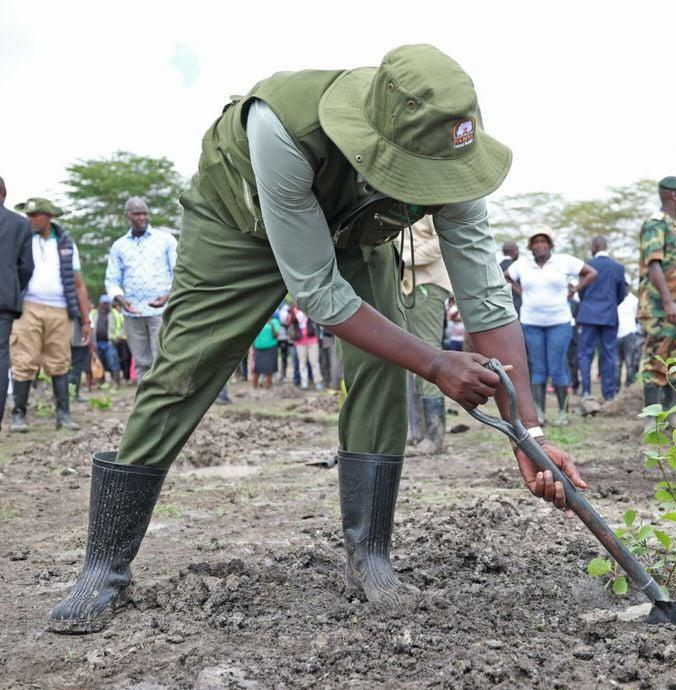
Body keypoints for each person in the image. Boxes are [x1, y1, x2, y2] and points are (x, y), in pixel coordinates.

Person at [50, 45, 586, 635]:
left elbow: (485, 298)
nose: (435, 188)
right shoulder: (281, 126)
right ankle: (104, 567)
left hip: (353, 234)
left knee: (383, 363)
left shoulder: (452, 153)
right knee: (183, 371)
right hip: (239, 226)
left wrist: (528, 434)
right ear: (377, 141)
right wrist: (434, 361)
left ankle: (370, 557)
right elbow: (319, 292)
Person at [9, 198, 90, 432]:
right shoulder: (22, 239)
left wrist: (86, 320)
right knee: (23, 359)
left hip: (60, 310)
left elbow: (79, 285)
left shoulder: (66, 244)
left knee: (60, 362)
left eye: (36, 215)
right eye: (29, 215)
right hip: (28, 308)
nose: (31, 219)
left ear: (49, 217)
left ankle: (63, 415)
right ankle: (19, 415)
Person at [507, 226, 596, 425]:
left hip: (559, 322)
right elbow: (506, 276)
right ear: (531, 246)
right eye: (536, 242)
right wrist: (520, 292)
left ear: (550, 244)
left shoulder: (564, 261)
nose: (540, 245)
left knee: (557, 367)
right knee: (538, 368)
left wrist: (574, 290)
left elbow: (591, 273)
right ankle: (539, 414)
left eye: (543, 241)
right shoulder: (522, 264)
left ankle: (563, 414)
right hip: (532, 322)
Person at [638, 177, 676, 430]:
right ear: (673, 195)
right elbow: (654, 264)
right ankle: (652, 418)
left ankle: (671, 414)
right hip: (660, 308)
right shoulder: (655, 224)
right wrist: (669, 302)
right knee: (655, 360)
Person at [105, 197, 177, 378]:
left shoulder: (165, 240)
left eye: (145, 213)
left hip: (161, 312)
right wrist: (120, 299)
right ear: (127, 216)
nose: (142, 218)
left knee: (163, 360)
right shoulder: (119, 246)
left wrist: (168, 295)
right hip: (133, 313)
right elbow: (112, 279)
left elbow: (179, 271)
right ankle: (146, 404)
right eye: (137, 214)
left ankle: (166, 403)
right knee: (142, 363)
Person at [401, 215, 453, 454]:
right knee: (411, 359)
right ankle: (420, 431)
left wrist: (405, 258)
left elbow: (443, 237)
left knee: (428, 354)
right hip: (404, 285)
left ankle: (434, 435)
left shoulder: (428, 202)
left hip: (427, 283)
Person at [0, 177, 34, 432]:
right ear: (4, 194)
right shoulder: (20, 224)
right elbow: (26, 267)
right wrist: (13, 287)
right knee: (1, 357)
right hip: (4, 300)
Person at [576, 236, 627, 401]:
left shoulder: (587, 265)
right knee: (609, 354)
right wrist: (610, 304)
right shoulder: (618, 267)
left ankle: (585, 392)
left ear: (595, 246)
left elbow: (581, 291)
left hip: (588, 315)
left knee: (585, 354)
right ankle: (609, 394)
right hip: (609, 315)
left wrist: (590, 304)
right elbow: (622, 294)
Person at [287, 302, 324, 389]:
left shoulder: (308, 311)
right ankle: (304, 382)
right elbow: (289, 321)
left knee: (314, 362)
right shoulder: (293, 314)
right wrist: (294, 313)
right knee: (302, 363)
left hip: (312, 341)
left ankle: (317, 381)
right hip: (300, 342)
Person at [89, 295, 124, 386]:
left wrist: (118, 336)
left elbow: (121, 326)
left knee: (113, 363)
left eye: (108, 303)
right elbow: (90, 326)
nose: (106, 305)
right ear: (100, 304)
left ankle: (116, 383)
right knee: (100, 363)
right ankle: (102, 383)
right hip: (97, 343)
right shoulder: (94, 313)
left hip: (110, 342)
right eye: (104, 303)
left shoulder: (114, 313)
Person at [615, 289, 641, 391]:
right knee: (616, 365)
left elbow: (637, 317)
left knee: (630, 363)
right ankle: (616, 389)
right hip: (616, 334)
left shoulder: (634, 300)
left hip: (630, 334)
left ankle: (630, 389)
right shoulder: (615, 297)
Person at [252, 315, 281, 388]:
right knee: (257, 369)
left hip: (270, 348)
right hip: (258, 347)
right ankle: (254, 387)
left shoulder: (275, 321)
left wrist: (272, 325)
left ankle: (268, 386)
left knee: (269, 368)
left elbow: (276, 335)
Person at [499, 241, 522, 317]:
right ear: (514, 251)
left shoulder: (496, 268)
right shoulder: (517, 267)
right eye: (517, 250)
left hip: (501, 308)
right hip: (518, 306)